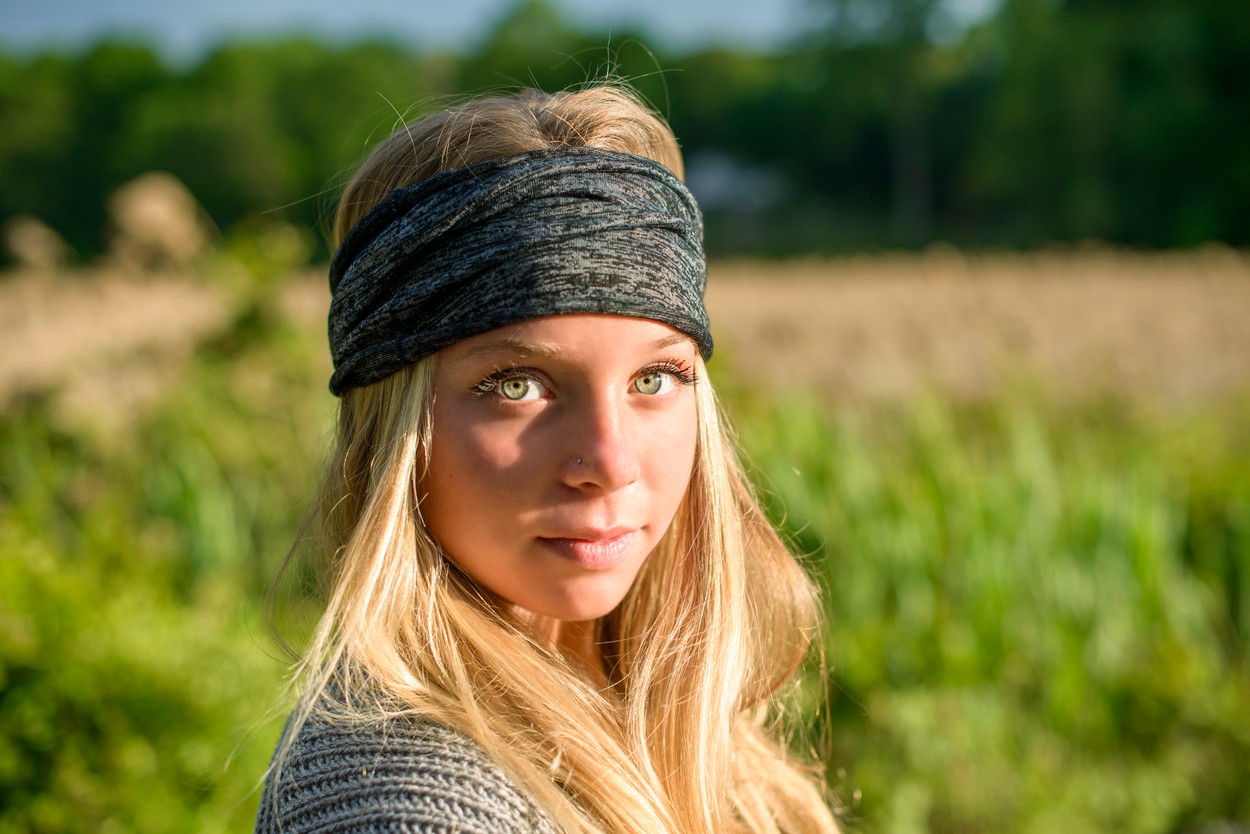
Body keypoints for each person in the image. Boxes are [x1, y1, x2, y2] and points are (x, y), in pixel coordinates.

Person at [257, 84, 839, 834]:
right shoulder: (406, 809)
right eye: (518, 385)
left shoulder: (677, 729)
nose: (609, 459)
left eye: (654, 379)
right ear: (390, 424)